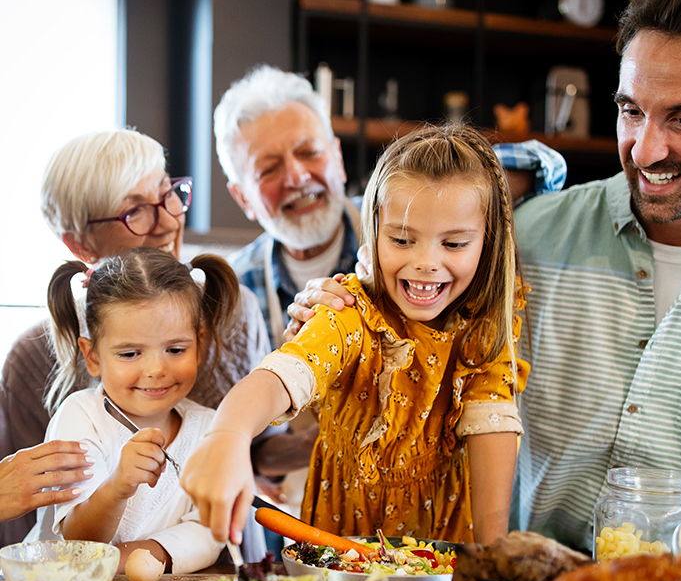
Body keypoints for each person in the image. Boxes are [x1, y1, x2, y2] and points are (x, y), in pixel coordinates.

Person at [288, 0, 681, 559]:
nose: (643, 149)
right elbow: (413, 269)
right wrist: (343, 301)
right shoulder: (526, 237)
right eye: (630, 110)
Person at [181, 124, 530, 547]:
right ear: (374, 234)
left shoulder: (485, 327)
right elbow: (284, 374)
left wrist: (493, 555)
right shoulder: (349, 312)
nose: (426, 262)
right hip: (338, 550)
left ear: (487, 243)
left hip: (442, 555)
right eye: (402, 240)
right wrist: (229, 434)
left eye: (454, 244)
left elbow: (489, 422)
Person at [0, 129, 281, 546]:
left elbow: (261, 447)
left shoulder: (233, 313)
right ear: (79, 242)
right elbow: (35, 514)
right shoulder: (32, 358)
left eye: (169, 196)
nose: (168, 220)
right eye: (135, 211)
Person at [26, 248, 265, 572]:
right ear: (93, 356)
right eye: (130, 354)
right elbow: (78, 541)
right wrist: (118, 487)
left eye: (175, 349)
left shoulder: (212, 430)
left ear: (200, 345)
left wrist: (143, 558)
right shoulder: (81, 417)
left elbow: (207, 534)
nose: (155, 369)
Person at [214, 64, 359, 349]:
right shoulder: (233, 293)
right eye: (269, 169)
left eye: (310, 153)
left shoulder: (400, 235)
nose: (297, 177)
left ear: (338, 159)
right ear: (243, 197)